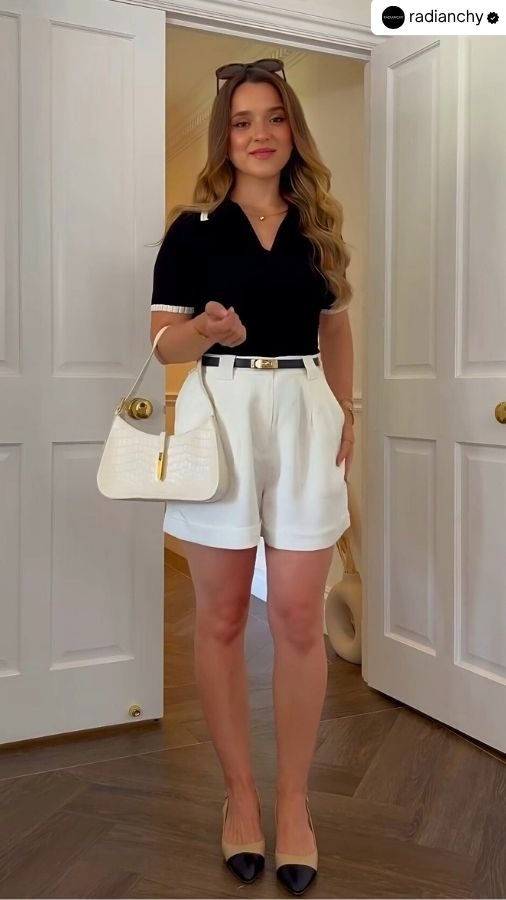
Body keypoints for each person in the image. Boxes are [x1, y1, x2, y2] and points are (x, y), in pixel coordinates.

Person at [150, 57, 355, 896]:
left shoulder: (317, 226)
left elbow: (335, 329)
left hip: (304, 411)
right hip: (221, 412)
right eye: (242, 121)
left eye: (274, 117)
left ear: (292, 130)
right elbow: (163, 343)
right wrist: (204, 329)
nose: (260, 134)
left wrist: (343, 414)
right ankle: (240, 795)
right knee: (225, 614)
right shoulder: (193, 230)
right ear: (225, 136)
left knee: (299, 616)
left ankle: (294, 803)